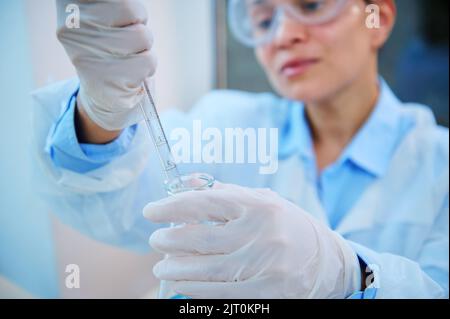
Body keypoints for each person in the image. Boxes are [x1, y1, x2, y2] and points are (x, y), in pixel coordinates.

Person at [31, 0, 448, 298]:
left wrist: (351, 275)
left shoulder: (440, 164)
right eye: (264, 20)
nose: (284, 35)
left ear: (378, 18)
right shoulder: (226, 124)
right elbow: (111, 203)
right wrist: (104, 110)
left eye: (313, 6)